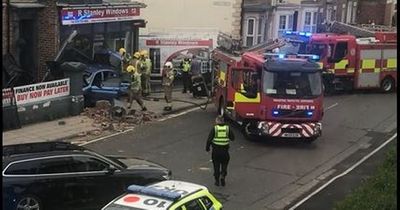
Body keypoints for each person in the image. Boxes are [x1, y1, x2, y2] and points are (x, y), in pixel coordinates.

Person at [206, 115, 235, 186]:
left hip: (216, 151)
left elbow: (209, 139)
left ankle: (217, 181)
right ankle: (223, 175)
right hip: (225, 151)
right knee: (224, 164)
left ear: (217, 121)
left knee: (216, 165)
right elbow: (233, 138)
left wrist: (207, 148)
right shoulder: (227, 129)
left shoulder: (215, 129)